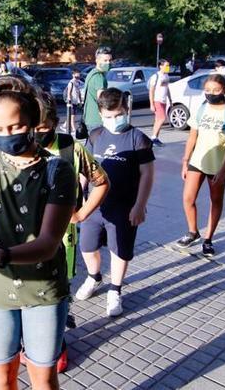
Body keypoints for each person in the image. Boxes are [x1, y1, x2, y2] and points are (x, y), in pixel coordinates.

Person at [0, 76, 77, 390]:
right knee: (2, 377)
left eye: (14, 127)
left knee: (44, 378)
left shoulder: (58, 171)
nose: (6, 135)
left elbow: (47, 244)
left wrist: (2, 254)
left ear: (33, 122)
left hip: (44, 291)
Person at [34, 90, 110, 370]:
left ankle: (58, 339)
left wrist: (82, 213)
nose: (35, 134)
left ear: (53, 123)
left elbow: (101, 182)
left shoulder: (71, 149)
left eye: (42, 128)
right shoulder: (17, 147)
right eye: (30, 127)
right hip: (24, 239)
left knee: (58, 292)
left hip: (61, 241)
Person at [75, 88, 155, 316]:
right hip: (94, 207)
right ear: (100, 114)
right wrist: (79, 192)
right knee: (87, 247)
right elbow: (85, 167)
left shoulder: (138, 139)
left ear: (126, 111)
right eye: (108, 116)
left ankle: (115, 290)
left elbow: (148, 175)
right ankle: (94, 277)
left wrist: (140, 205)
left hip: (125, 208)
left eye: (118, 114)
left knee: (119, 251)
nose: (113, 120)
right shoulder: (96, 135)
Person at [175, 74, 225, 258]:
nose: (211, 94)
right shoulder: (202, 108)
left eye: (216, 90)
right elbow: (192, 136)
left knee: (216, 201)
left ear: (224, 91)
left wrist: (223, 171)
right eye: (207, 90)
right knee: (188, 198)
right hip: (197, 161)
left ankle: (208, 239)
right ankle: (193, 232)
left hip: (218, 166)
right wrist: (185, 161)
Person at [82, 46, 112, 132]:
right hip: (97, 120)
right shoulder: (99, 77)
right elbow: (101, 100)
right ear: (97, 60)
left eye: (110, 60)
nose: (108, 63)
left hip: (89, 118)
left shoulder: (91, 73)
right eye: (105, 60)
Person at [148, 59, 172, 147]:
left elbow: (167, 88)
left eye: (168, 66)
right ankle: (153, 138)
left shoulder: (166, 76)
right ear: (161, 66)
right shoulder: (156, 76)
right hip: (157, 100)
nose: (168, 68)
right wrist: (151, 104)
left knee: (158, 120)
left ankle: (155, 138)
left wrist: (170, 99)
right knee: (162, 118)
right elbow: (151, 90)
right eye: (166, 66)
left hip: (164, 100)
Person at [63, 68, 84, 133]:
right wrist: (69, 102)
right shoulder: (71, 83)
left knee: (71, 115)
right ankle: (74, 129)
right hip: (71, 102)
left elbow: (79, 92)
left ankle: (64, 125)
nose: (78, 77)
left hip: (75, 101)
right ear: (73, 75)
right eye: (76, 76)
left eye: (78, 76)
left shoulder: (78, 83)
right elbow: (69, 93)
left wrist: (80, 101)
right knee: (72, 116)